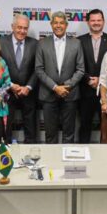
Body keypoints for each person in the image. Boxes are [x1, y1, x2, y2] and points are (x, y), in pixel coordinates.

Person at [35, 11, 85, 144]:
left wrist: (65, 86)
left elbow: (80, 69)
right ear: (51, 24)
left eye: (61, 23)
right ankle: (51, 157)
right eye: (55, 23)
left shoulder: (76, 43)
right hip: (48, 94)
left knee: (69, 135)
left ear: (66, 25)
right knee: (50, 135)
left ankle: (67, 157)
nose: (58, 26)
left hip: (70, 94)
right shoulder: (42, 43)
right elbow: (39, 69)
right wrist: (55, 87)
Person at [0, 14, 38, 143]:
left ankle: (31, 151)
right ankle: (6, 151)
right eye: (19, 27)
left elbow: (38, 68)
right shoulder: (0, 42)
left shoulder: (35, 44)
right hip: (7, 91)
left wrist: (28, 87)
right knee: (5, 129)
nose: (22, 31)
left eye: (25, 28)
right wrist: (10, 85)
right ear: (12, 26)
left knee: (31, 128)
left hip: (28, 92)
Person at [77, 9, 107, 143]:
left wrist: (100, 80)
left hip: (106, 91)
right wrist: (88, 79)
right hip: (85, 91)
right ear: (88, 22)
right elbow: (75, 65)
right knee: (84, 125)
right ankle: (82, 151)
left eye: (99, 20)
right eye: (93, 20)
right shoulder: (79, 41)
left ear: (103, 22)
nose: (96, 23)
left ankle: (106, 153)